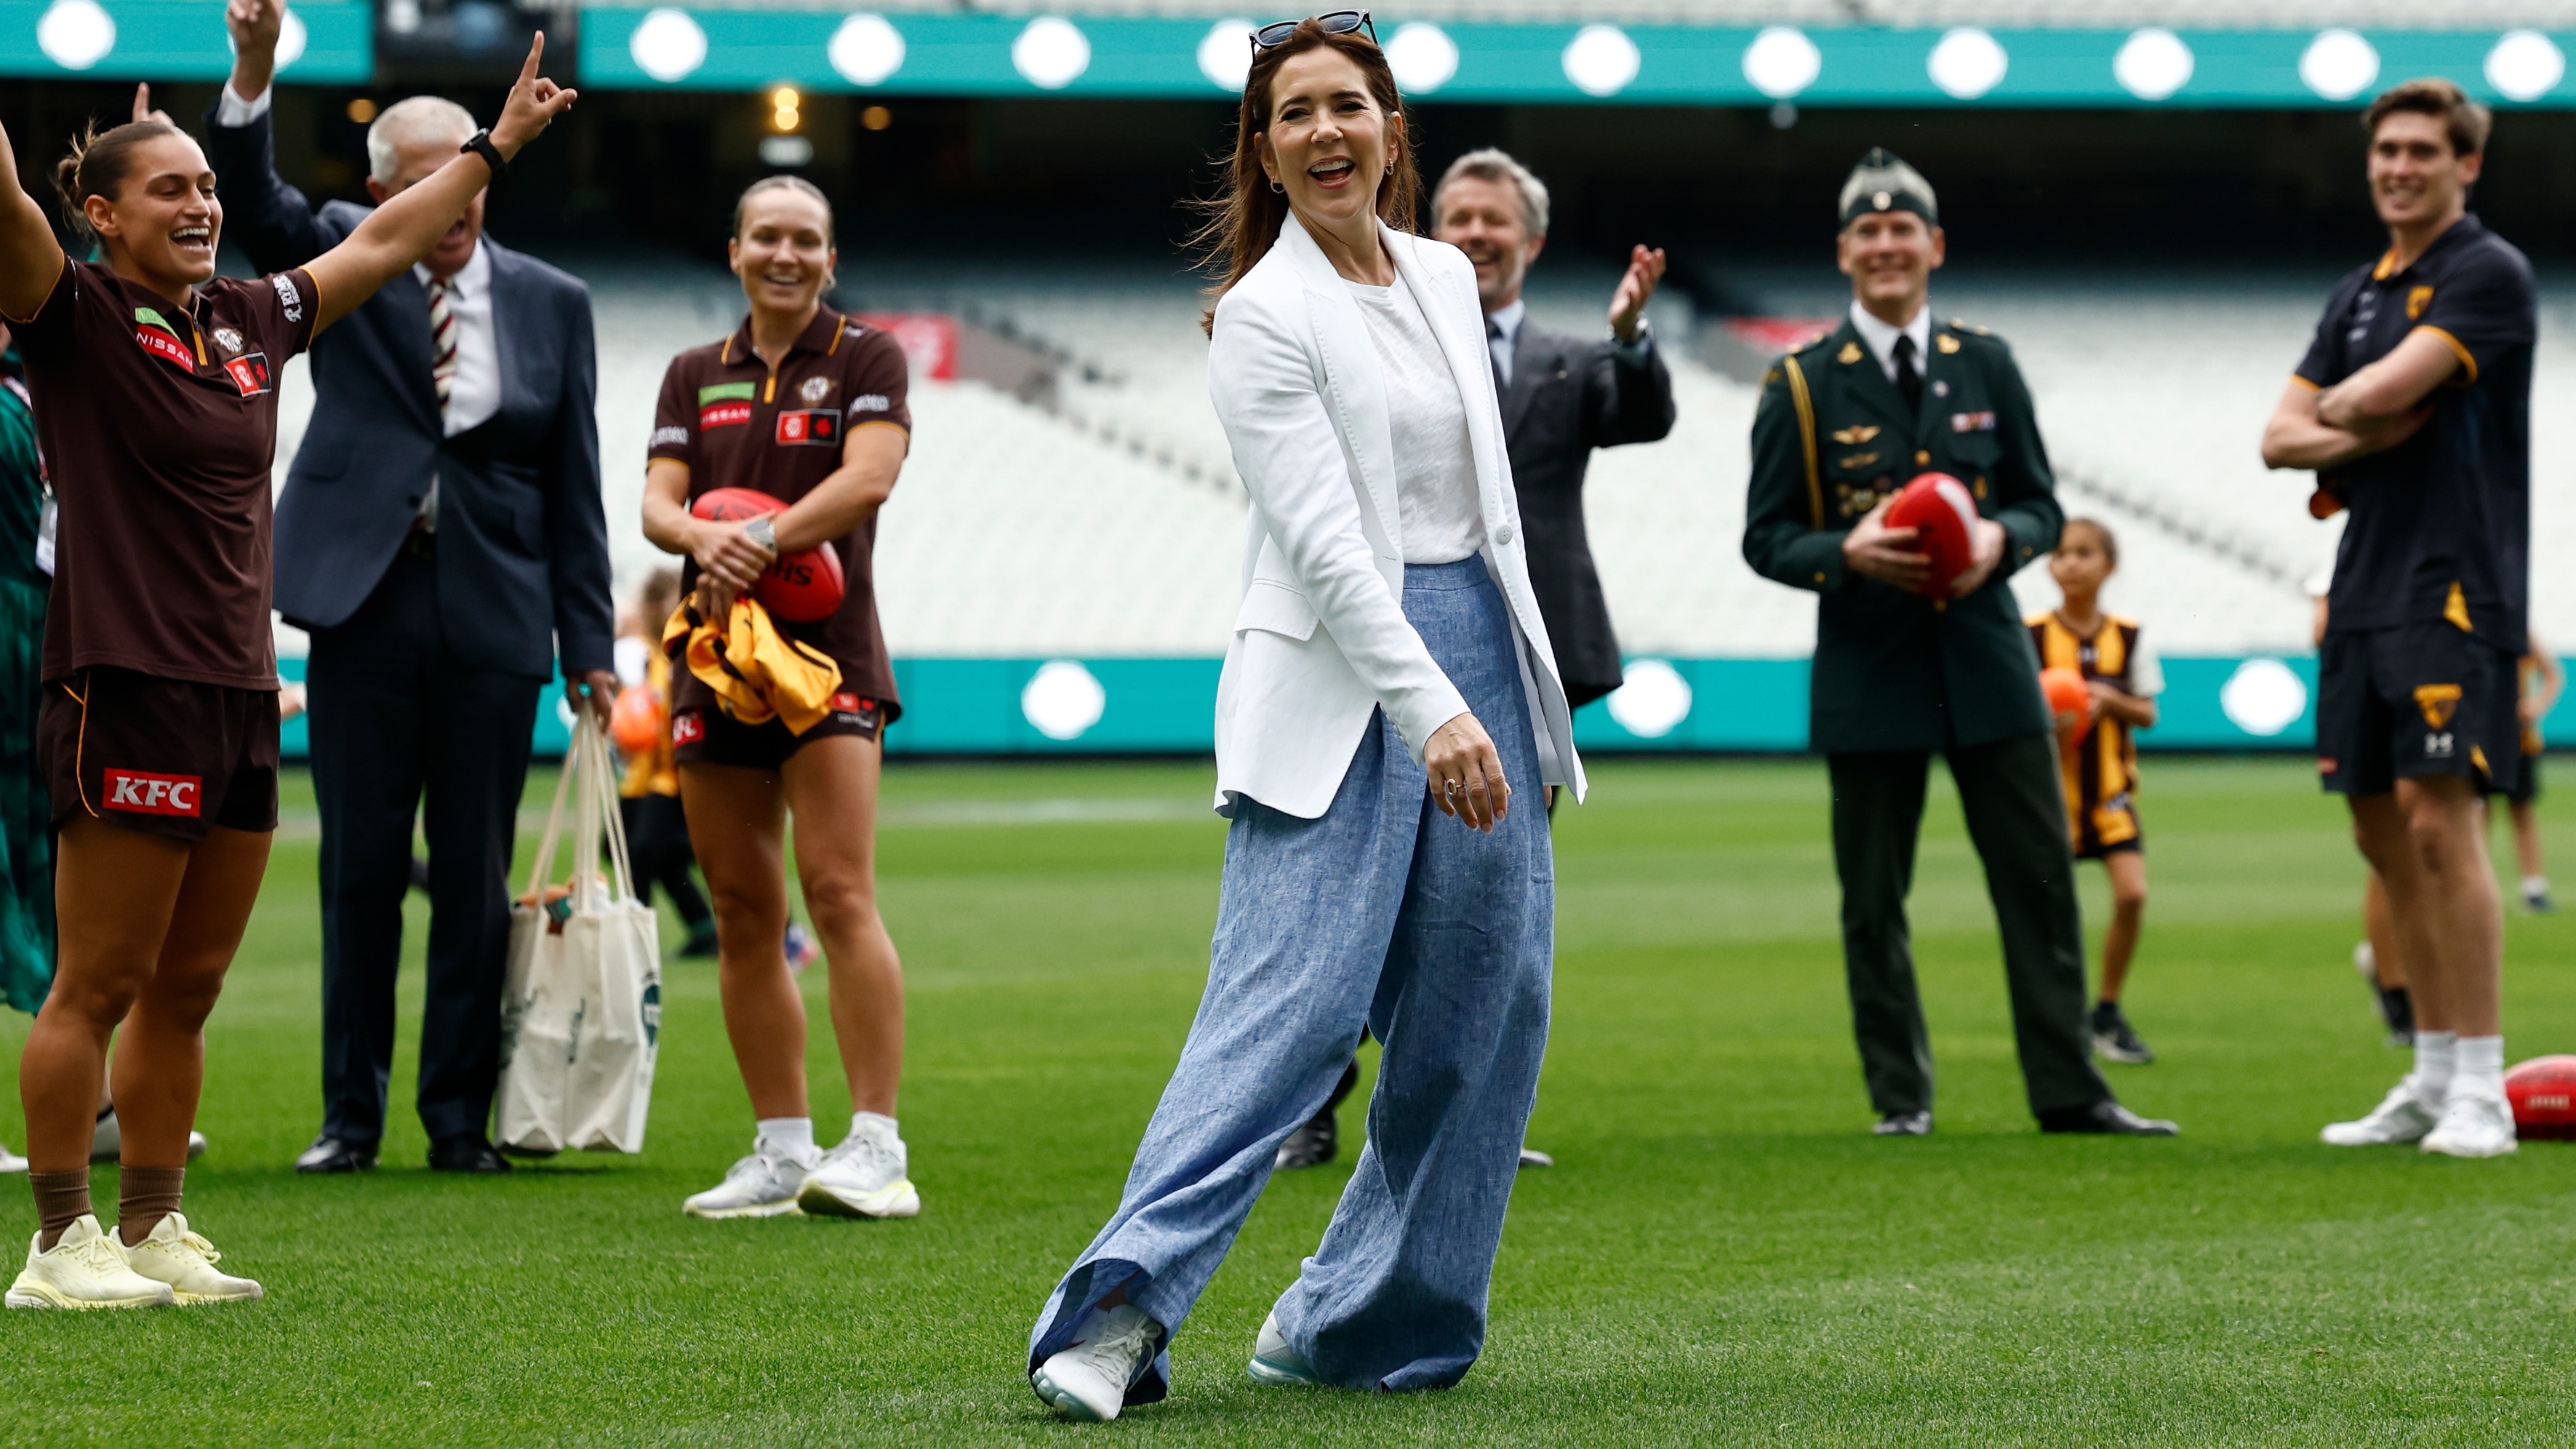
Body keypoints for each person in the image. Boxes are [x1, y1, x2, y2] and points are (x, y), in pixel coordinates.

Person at [1025, 15, 1580, 1421]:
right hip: (1349, 681)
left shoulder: (1450, 274)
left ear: (1391, 126)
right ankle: (1109, 1317)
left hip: (1484, 668)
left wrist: (1501, 694)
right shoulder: (1259, 314)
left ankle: (1358, 1319)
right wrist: (1431, 707)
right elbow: (1329, 547)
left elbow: (1486, 514)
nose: (1325, 132)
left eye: (1349, 104)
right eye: (1294, 114)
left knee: (1486, 1009)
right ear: (1263, 151)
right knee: (1290, 1012)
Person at [0, 32, 575, 1309]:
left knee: (188, 988)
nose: (203, 204)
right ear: (95, 215)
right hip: (124, 684)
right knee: (96, 982)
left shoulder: (248, 321)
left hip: (242, 695)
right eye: (170, 188)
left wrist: (495, 148)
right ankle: (57, 1245)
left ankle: (151, 1227)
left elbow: (376, 244)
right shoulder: (72, 314)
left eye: (210, 186)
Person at [201, 0, 617, 1178]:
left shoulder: (554, 300)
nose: (458, 199)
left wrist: (588, 644)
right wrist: (252, 67)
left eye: (471, 176)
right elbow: (253, 192)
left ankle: (454, 1118)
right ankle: (350, 1117)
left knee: (476, 882)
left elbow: (574, 482)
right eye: (430, 181)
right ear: (383, 193)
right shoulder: (340, 247)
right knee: (362, 870)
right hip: (361, 603)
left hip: (493, 610)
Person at [1741, 148, 2172, 1140]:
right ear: (1843, 252)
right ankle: (1901, 1098)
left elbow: (2039, 504)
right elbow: (1765, 540)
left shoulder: (1988, 362)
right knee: (1873, 901)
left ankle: (2071, 1091)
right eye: (1867, 232)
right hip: (1868, 670)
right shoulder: (1801, 386)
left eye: (1903, 231)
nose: (1885, 246)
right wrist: (1844, 550)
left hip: (1987, 661)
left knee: (2035, 881)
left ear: (1933, 246)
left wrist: (2000, 540)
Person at [1271, 147, 1668, 1175]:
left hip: (1526, 658)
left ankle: (1467, 1116)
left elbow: (1646, 416)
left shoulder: (1576, 361)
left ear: (1530, 242)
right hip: (1390, 652)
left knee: (1486, 905)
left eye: (1497, 221)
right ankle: (1313, 1105)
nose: (1478, 236)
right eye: (1459, 217)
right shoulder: (1357, 340)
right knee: (1364, 887)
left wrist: (1630, 338)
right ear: (1427, 227)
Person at [2262, 79, 2535, 1159]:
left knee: (2438, 821)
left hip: (2451, 582)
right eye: (2385, 150)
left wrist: (2349, 411)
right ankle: (2427, 1076)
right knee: (2377, 832)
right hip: (2361, 584)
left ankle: (2482, 1084)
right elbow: (2281, 435)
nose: (2398, 167)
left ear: (2464, 165)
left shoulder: (2485, 272)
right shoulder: (2355, 292)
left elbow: (2369, 397)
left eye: (2422, 150)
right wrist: (2357, 424)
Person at [639, 176, 918, 1222]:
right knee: (745, 909)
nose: (785, 254)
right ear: (736, 251)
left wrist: (750, 538)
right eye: (767, 237)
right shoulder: (688, 374)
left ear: (829, 259)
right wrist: (698, 536)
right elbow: (659, 503)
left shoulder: (865, 357)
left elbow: (869, 479)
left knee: (838, 892)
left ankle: (878, 1147)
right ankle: (782, 1150)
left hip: (829, 660)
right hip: (713, 658)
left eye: (806, 240)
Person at [2026, 519, 2162, 1064]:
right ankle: (2059, 1020)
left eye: (2084, 553)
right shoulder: (2030, 634)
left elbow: (2148, 712)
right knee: (2050, 914)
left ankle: (2106, 1010)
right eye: (2062, 554)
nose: (2072, 564)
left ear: (2109, 565)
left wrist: (2107, 700)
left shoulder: (2128, 636)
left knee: (2132, 894)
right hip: (2048, 799)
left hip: (2109, 794)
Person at [614, 570, 719, 959]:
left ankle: (633, 940)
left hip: (676, 774)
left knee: (645, 853)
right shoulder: (647, 653)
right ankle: (704, 928)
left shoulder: (689, 648)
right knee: (639, 852)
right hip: (646, 774)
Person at [2501, 629, 2559, 913]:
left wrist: (2537, 705)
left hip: (2520, 740)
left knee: (2522, 810)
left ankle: (2533, 886)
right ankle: (2471, 883)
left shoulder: (2521, 631)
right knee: (2475, 812)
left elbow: (2553, 675)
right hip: (2483, 738)